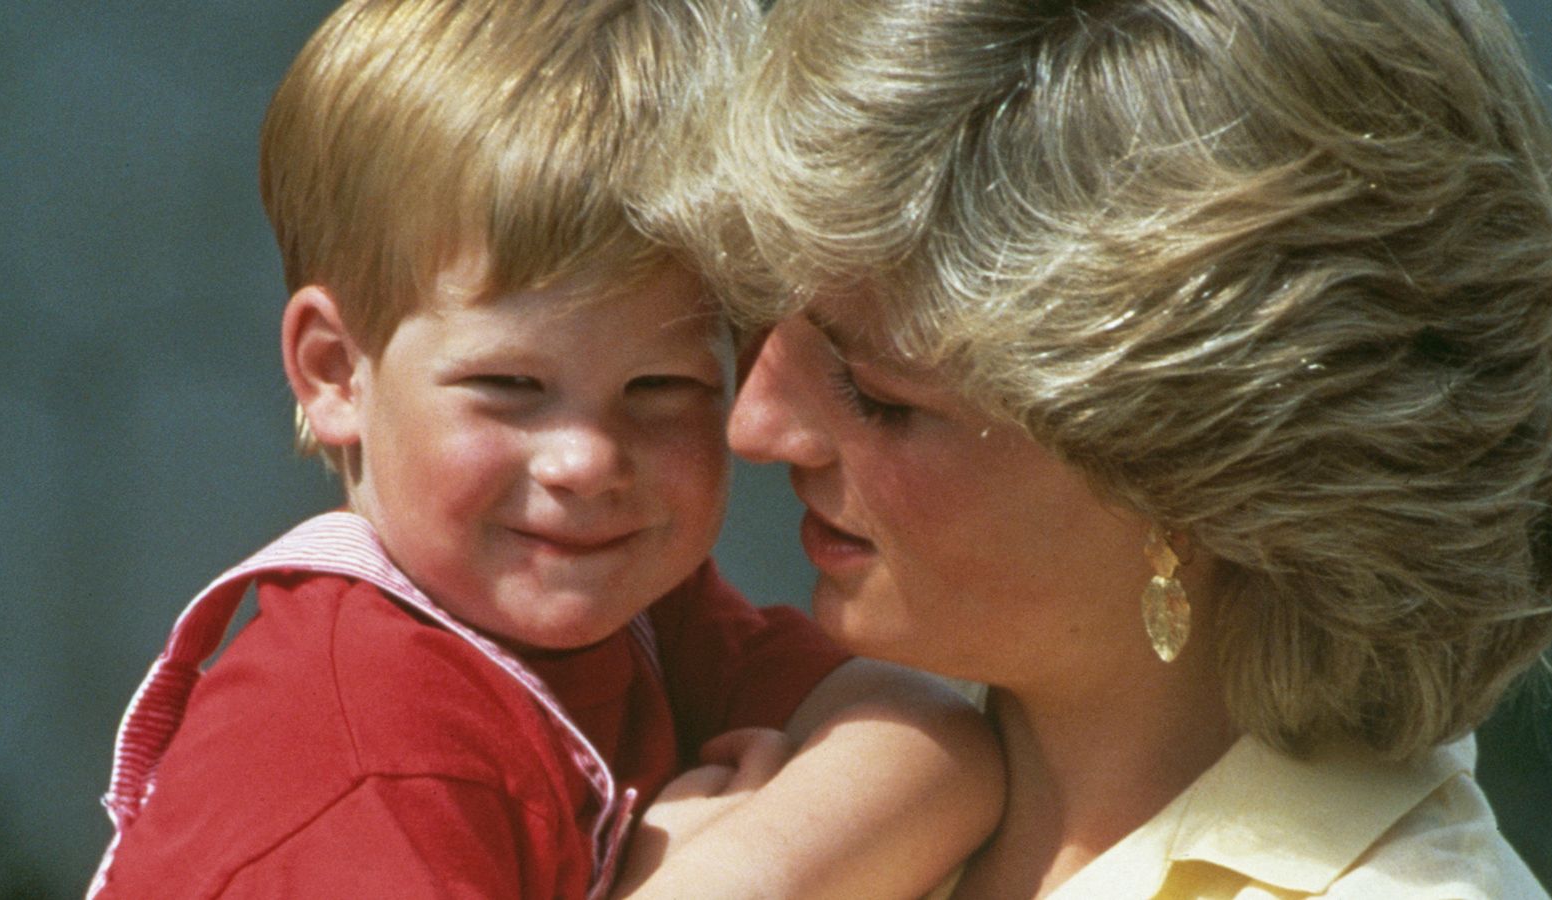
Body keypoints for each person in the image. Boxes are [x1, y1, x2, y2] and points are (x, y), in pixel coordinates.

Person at [85, 1, 1003, 897]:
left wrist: (731, 872)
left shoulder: (642, 616)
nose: (588, 460)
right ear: (335, 373)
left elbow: (938, 741)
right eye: (511, 388)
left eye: (661, 389)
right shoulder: (363, 757)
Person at [697, 0, 1552, 895]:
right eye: (762, 322)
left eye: (876, 396)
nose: (755, 427)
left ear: (1190, 474)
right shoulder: (781, 752)